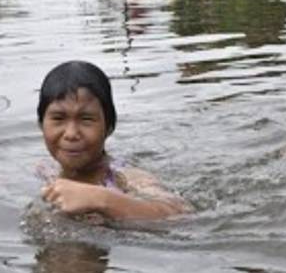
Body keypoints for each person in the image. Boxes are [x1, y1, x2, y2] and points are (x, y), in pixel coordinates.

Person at [38, 60, 188, 221]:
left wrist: (100, 199)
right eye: (58, 118)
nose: (71, 134)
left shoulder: (124, 177)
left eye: (86, 119)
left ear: (109, 127)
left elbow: (181, 212)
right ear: (41, 124)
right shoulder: (47, 170)